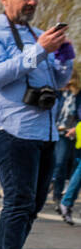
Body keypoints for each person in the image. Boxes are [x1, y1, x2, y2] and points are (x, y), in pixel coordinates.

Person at [0, 0, 75, 249]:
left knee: (32, 205)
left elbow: (59, 82)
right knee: (18, 203)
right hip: (13, 129)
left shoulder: (40, 34)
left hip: (45, 130)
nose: (33, 2)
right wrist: (37, 50)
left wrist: (65, 55)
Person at [51, 82, 77, 220]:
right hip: (54, 132)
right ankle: (56, 195)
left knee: (65, 165)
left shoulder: (77, 96)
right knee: (58, 164)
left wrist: (76, 128)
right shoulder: (58, 93)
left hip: (70, 134)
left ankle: (59, 196)